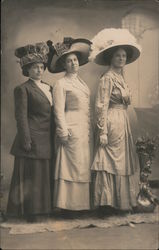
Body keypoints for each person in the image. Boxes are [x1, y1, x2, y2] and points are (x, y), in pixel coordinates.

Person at [90, 28, 141, 213]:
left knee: (122, 161)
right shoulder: (107, 78)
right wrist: (102, 131)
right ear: (111, 58)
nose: (121, 59)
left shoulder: (121, 77)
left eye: (124, 56)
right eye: (118, 55)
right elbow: (100, 105)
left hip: (123, 121)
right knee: (108, 160)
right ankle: (106, 204)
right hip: (111, 121)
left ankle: (121, 202)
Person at [7, 42, 55, 222]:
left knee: (43, 175)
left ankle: (43, 209)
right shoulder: (23, 89)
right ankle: (31, 213)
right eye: (35, 68)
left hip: (46, 137)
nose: (39, 71)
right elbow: (21, 117)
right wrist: (26, 140)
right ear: (27, 70)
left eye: (41, 67)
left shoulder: (48, 87)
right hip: (32, 137)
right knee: (32, 176)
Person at [47, 38, 93, 213]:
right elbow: (58, 110)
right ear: (64, 65)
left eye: (75, 60)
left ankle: (81, 206)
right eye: (69, 61)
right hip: (70, 127)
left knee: (81, 165)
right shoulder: (61, 84)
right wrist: (63, 131)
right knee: (69, 167)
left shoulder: (81, 82)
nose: (73, 63)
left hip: (83, 128)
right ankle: (67, 207)